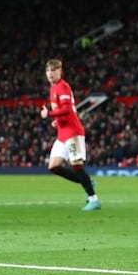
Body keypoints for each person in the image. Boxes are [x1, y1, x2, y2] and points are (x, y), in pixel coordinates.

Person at [40, 58, 100, 211]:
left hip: (72, 131)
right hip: (62, 133)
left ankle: (94, 200)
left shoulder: (63, 87)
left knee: (77, 166)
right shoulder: (53, 88)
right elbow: (67, 111)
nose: (50, 73)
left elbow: (67, 109)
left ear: (60, 71)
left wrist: (50, 114)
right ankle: (86, 181)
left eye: (54, 70)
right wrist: (57, 121)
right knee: (53, 167)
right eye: (48, 71)